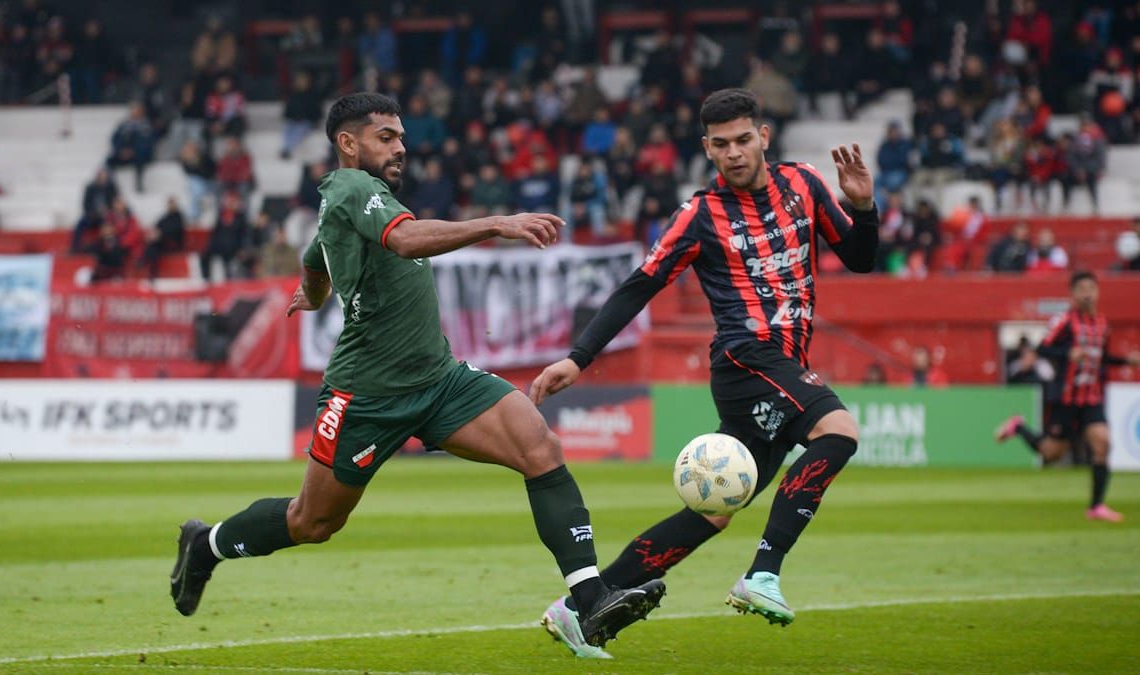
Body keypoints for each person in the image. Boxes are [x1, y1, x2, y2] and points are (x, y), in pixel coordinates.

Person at [169, 93, 666, 648]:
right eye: (386, 137)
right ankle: (206, 545)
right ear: (348, 143)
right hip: (366, 394)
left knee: (540, 448)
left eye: (401, 137)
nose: (400, 147)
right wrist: (497, 223)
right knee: (312, 522)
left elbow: (316, 257)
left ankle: (590, 600)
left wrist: (314, 293)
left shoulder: (358, 200)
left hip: (439, 380)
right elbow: (404, 241)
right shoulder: (352, 187)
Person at [529, 88, 879, 655]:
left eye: (743, 139)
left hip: (785, 365)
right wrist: (578, 357)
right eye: (721, 144)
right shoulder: (699, 215)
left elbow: (861, 259)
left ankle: (579, 607)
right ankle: (762, 573)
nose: (734, 152)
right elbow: (639, 286)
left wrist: (863, 207)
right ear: (707, 149)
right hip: (746, 358)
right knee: (838, 432)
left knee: (714, 511)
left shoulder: (806, 184)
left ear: (763, 137)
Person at [995, 272, 1140, 522]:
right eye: (1081, 289)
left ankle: (1096, 506)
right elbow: (1042, 348)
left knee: (1102, 442)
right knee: (1051, 453)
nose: (1087, 294)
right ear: (1072, 294)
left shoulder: (1103, 324)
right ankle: (1018, 427)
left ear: (1097, 292)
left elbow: (1102, 358)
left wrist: (1126, 360)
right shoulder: (1064, 322)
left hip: (1091, 398)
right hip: (1066, 398)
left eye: (1091, 288)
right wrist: (1066, 353)